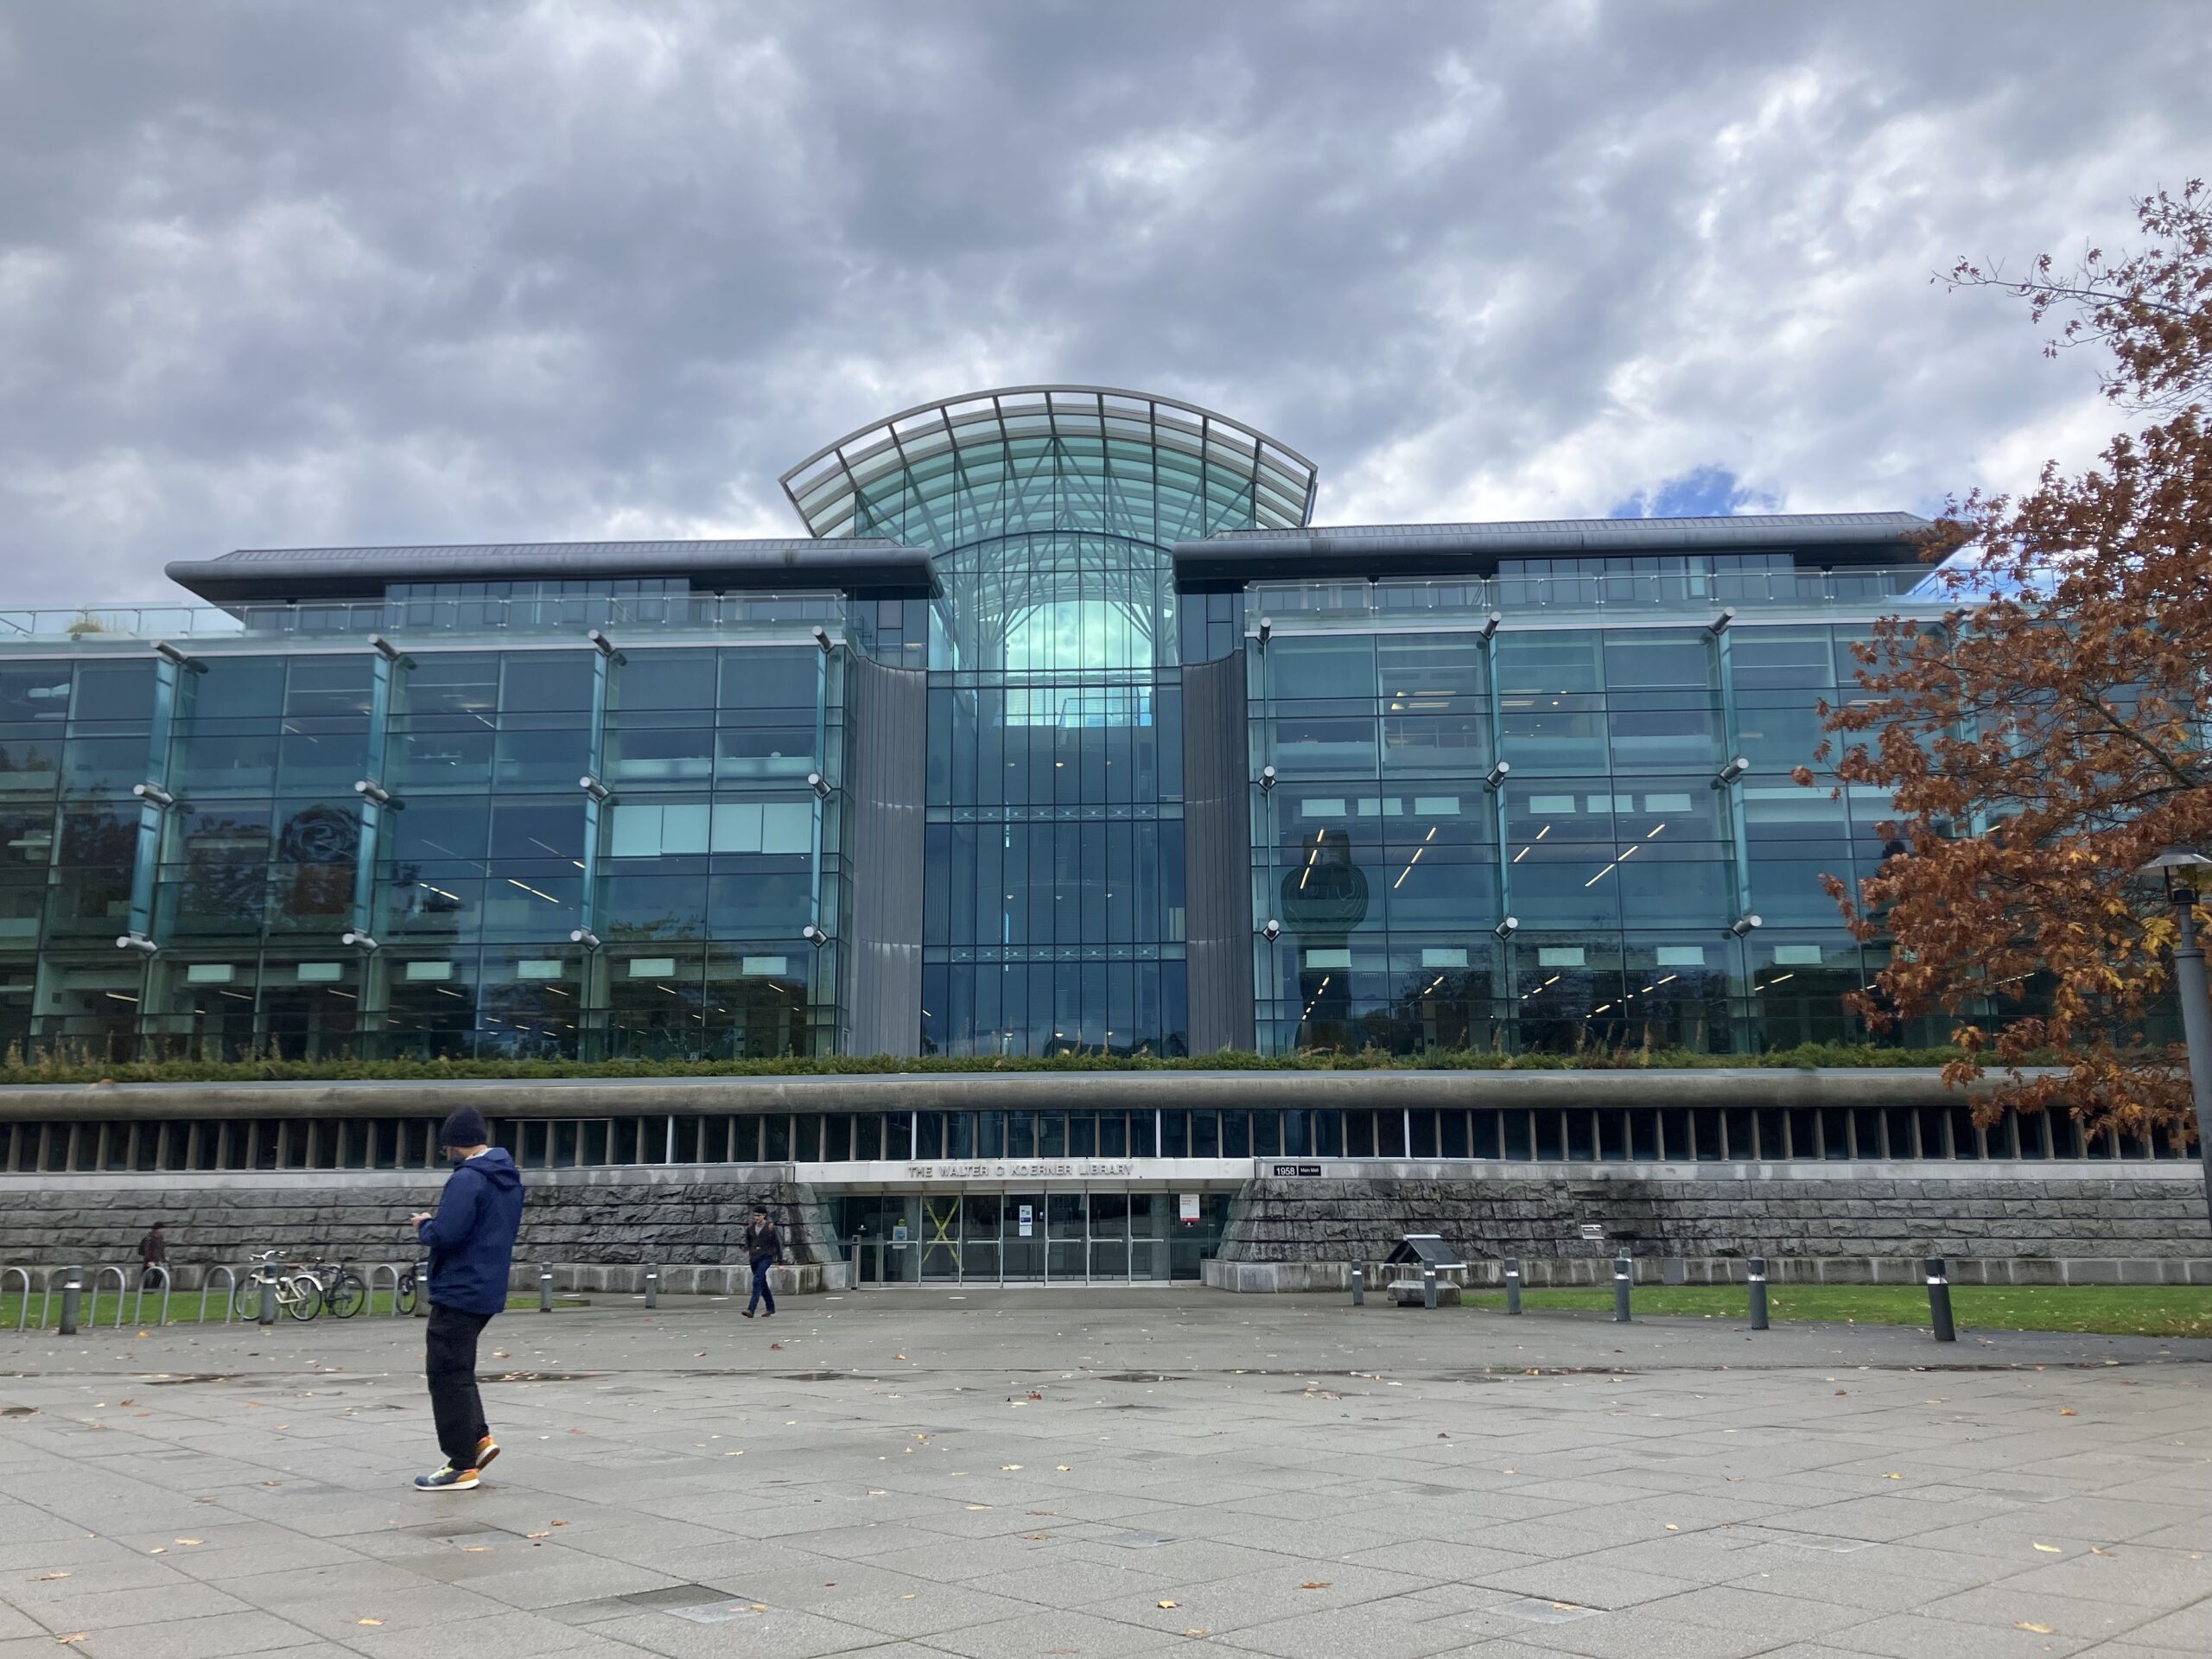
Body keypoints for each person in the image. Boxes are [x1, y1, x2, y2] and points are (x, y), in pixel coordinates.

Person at [406, 1107, 524, 1492]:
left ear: (455, 1145)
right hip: (486, 1286)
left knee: (445, 1375)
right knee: (459, 1369)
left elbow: (448, 1234)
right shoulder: (506, 1176)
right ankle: (478, 1439)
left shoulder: (468, 1178)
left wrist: (426, 1225)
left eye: (446, 1147)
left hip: (459, 1287)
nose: (446, 1154)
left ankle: (461, 1464)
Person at [742, 1206, 780, 1319]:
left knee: (757, 1280)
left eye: (759, 1215)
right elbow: (748, 1241)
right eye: (755, 1215)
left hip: (766, 1257)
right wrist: (749, 1251)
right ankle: (770, 1307)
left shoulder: (770, 1227)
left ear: (764, 1215)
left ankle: (751, 1309)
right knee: (762, 1282)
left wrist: (781, 1262)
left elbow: (778, 1244)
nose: (756, 1218)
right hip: (755, 1258)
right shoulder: (750, 1228)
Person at [137, 1222, 167, 1289]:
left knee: (158, 1275)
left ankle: (152, 1290)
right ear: (157, 1230)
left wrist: (164, 1259)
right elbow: (147, 1250)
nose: (163, 1230)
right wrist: (149, 1261)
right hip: (150, 1261)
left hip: (157, 1260)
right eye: (161, 1229)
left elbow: (161, 1250)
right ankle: (147, 1290)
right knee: (147, 1276)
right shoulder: (149, 1238)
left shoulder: (160, 1238)